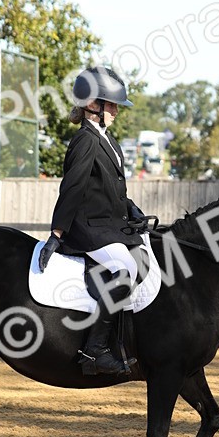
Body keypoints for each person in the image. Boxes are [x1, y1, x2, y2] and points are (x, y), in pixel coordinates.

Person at [40, 65, 147, 375]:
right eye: (110, 104)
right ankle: (94, 352)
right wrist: (56, 234)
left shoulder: (108, 141)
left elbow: (108, 189)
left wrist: (131, 208)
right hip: (89, 229)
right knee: (123, 269)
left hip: (111, 225)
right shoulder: (86, 139)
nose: (115, 111)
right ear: (91, 105)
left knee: (145, 257)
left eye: (115, 105)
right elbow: (72, 189)